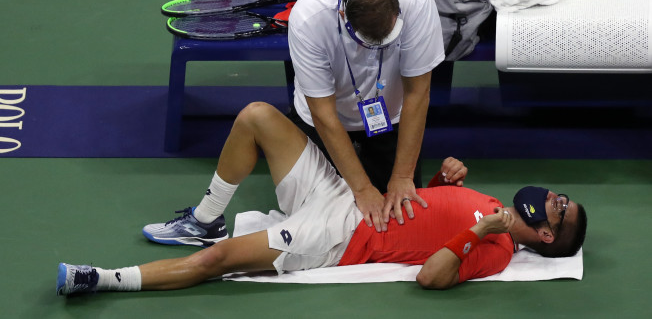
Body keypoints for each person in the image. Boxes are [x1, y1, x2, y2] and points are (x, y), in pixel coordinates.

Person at [56, 102, 587, 295]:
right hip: (342, 195)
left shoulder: (494, 252)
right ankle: (206, 216)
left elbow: (431, 276)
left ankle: (101, 279)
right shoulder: (493, 203)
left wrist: (477, 231)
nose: (554, 197)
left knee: (219, 263)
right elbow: (425, 215)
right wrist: (448, 185)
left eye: (560, 209)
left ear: (544, 236)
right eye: (561, 196)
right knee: (258, 116)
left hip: (338, 236)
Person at [286, 0, 445, 234]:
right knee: (323, 218)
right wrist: (361, 189)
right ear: (341, 15)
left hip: (389, 117)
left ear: (398, 11)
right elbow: (323, 114)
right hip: (325, 121)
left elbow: (418, 93)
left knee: (401, 215)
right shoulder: (308, 19)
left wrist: (403, 177)